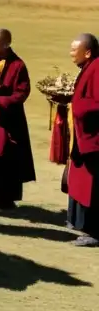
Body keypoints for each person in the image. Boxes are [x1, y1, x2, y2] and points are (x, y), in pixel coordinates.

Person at [0, 28, 34, 208]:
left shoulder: (18, 66)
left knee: (8, 159)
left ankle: (7, 199)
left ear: (7, 44)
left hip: (10, 121)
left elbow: (22, 94)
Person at [67, 33, 99, 247]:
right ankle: (82, 224)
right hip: (84, 138)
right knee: (82, 182)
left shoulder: (97, 69)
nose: (71, 54)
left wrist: (77, 107)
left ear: (87, 52)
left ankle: (95, 232)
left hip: (94, 140)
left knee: (94, 186)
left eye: (73, 50)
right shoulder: (90, 67)